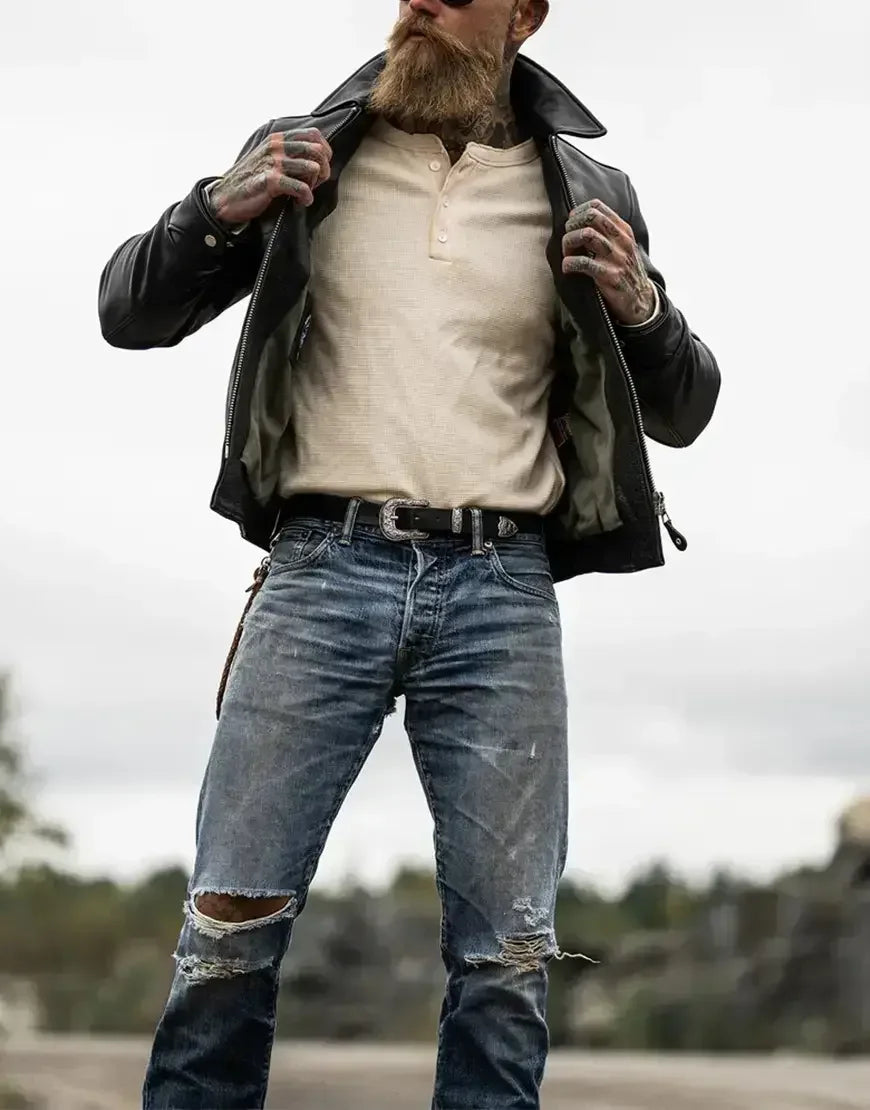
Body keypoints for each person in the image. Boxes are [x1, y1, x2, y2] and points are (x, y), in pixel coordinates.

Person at [99, 1, 721, 1106]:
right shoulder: (309, 152)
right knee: (227, 932)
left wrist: (641, 305)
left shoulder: (589, 190)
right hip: (318, 573)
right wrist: (216, 208)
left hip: (503, 593)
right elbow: (128, 312)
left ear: (523, 16)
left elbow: (686, 408)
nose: (417, 1)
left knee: (507, 962)